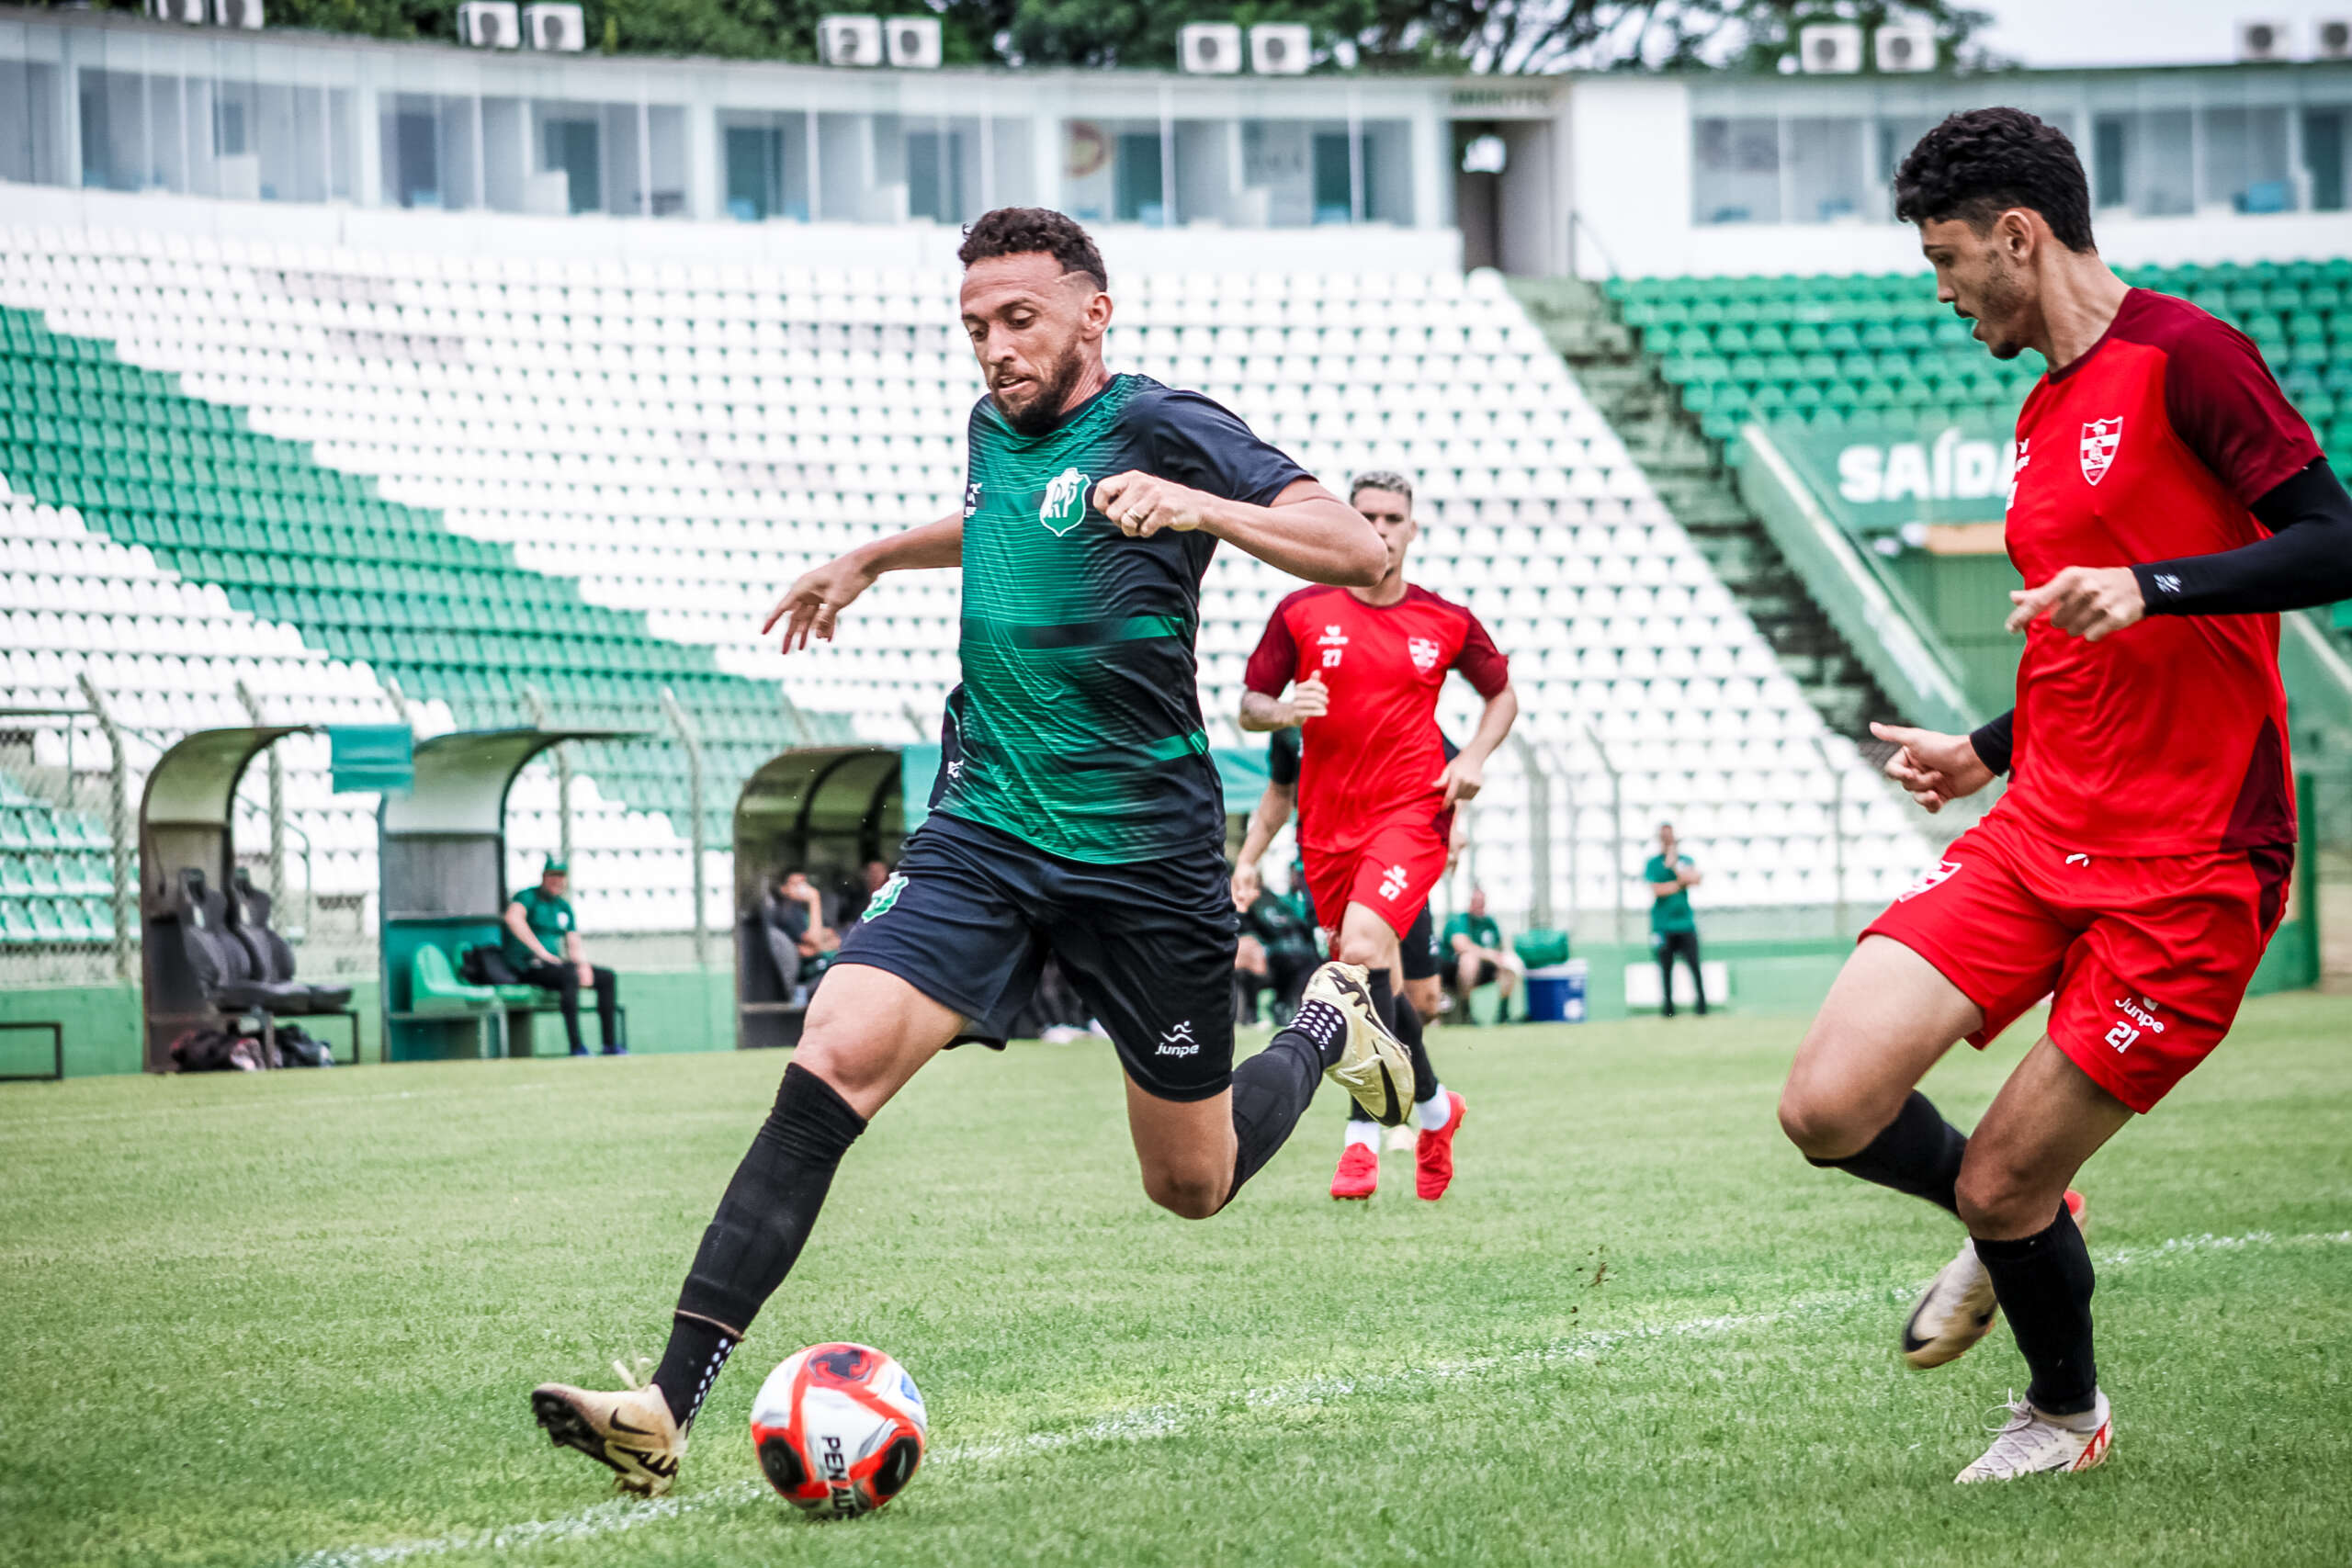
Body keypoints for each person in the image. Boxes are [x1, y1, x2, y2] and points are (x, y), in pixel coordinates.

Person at [529, 207, 1413, 1496]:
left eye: (1019, 321)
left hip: (1143, 855)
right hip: (987, 828)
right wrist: (877, 556)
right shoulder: (993, 429)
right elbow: (1003, 518)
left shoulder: (1164, 425)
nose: (994, 350)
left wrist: (1197, 503)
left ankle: (1331, 1018)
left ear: (1092, 312)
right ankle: (665, 1402)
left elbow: (1351, 547)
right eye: (975, 327)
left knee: (1194, 1180)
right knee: (832, 1051)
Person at [1776, 108, 2352, 1485]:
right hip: (2041, 828)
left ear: (2017, 236)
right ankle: (2023, 1210)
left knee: (1995, 1184)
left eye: (1947, 256)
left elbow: (2336, 537)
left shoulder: (2186, 355)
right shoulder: (2041, 410)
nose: (1940, 285)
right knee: (1828, 1102)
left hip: (2196, 862)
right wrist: (1986, 746)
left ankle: (2063, 1407)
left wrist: (2156, 584)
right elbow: (2077, 641)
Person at [1240, 469, 1519, 1201]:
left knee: (1362, 958)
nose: (1381, 528)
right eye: (1366, 516)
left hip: (1412, 815)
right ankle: (1434, 1109)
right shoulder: (1301, 611)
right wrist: (1281, 710)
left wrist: (1474, 756)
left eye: (1394, 517)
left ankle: (1359, 1142)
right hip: (1327, 830)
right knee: (1378, 989)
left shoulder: (1445, 620)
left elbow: (1501, 692)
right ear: (1346, 525)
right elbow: (1249, 704)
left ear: (1412, 529)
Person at [501, 857, 622, 1056]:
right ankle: (576, 1046)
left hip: (554, 967)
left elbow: (573, 942)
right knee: (568, 975)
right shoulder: (527, 897)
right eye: (553, 875)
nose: (558, 880)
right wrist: (540, 951)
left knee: (605, 977)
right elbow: (513, 918)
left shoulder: (563, 907)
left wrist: (583, 965)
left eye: (561, 875)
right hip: (527, 967)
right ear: (544, 876)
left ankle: (610, 1045)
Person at [1645, 823, 1706, 1018]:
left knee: (1695, 967)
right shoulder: (1653, 863)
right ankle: (1668, 1010)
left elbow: (1695, 879)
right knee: (1666, 970)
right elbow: (1658, 890)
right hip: (1663, 926)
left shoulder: (1685, 860)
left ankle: (1702, 1008)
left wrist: (1675, 867)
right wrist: (1680, 883)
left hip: (1686, 925)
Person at [1440, 887, 1519, 1024]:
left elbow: (1500, 947)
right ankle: (1466, 1013)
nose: (1479, 904)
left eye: (1482, 901)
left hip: (1485, 969)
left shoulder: (1489, 922)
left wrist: (1502, 958)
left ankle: (1503, 1015)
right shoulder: (1460, 920)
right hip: (1453, 971)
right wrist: (1488, 954)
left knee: (1508, 963)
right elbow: (1460, 944)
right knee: (1469, 960)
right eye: (1476, 901)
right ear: (1470, 902)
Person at [763, 870, 839, 998]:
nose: (802, 889)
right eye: (796, 884)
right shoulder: (787, 912)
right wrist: (814, 899)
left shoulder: (802, 909)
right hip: (810, 976)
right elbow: (815, 940)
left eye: (803, 883)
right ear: (784, 889)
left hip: (823, 966)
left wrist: (819, 945)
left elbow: (833, 938)